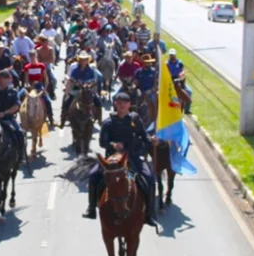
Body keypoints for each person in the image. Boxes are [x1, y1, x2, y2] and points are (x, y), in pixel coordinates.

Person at [84, 92, 156, 226]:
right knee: (93, 175)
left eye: (125, 103)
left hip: (132, 157)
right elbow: (102, 142)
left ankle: (149, 214)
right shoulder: (108, 123)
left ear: (129, 105)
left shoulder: (135, 120)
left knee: (150, 179)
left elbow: (144, 135)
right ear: (115, 104)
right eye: (119, 103)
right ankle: (91, 208)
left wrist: (151, 140)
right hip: (112, 160)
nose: (122, 105)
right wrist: (113, 145)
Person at [0, 70, 27, 162]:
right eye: (2, 78)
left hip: (7, 118)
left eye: (6, 78)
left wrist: (4, 113)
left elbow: (16, 106)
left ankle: (21, 154)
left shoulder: (13, 91)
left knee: (19, 133)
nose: (4, 80)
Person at [60, 50, 102, 128]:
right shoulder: (75, 69)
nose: (83, 61)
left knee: (98, 101)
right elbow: (72, 79)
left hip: (88, 90)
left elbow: (94, 80)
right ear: (79, 60)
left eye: (85, 59)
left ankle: (99, 119)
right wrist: (75, 82)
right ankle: (62, 120)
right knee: (66, 102)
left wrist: (89, 84)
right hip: (76, 90)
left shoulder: (91, 70)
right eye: (82, 59)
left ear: (87, 60)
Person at [23, 55, 55, 128]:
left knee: (48, 101)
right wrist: (28, 86)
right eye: (31, 58)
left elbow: (46, 79)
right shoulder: (27, 67)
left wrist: (45, 89)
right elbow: (26, 80)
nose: (32, 59)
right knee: (19, 97)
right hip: (30, 87)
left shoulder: (41, 66)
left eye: (34, 57)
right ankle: (23, 118)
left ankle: (51, 119)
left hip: (39, 86)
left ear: (36, 57)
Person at [166, 49, 192, 115]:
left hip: (179, 79)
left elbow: (182, 71)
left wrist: (181, 74)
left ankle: (187, 110)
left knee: (189, 91)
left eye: (173, 55)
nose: (172, 56)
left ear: (175, 55)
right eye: (171, 55)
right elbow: (167, 72)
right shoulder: (167, 63)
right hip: (171, 80)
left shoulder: (179, 62)